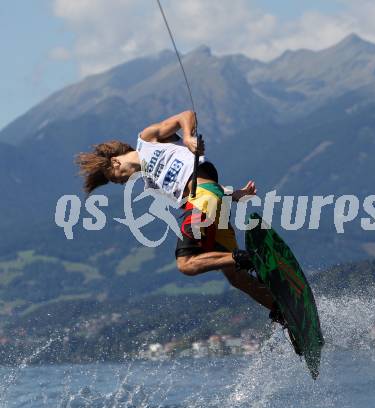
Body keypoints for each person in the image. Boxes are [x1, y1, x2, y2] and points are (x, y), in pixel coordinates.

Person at [76, 110, 284, 322]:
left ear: (115, 162)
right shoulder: (151, 183)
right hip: (211, 198)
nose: (118, 183)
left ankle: (252, 257)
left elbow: (186, 115)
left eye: (112, 179)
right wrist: (236, 194)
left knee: (186, 264)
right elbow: (205, 184)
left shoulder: (147, 140)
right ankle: (281, 310)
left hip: (204, 200)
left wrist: (187, 137)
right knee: (235, 276)